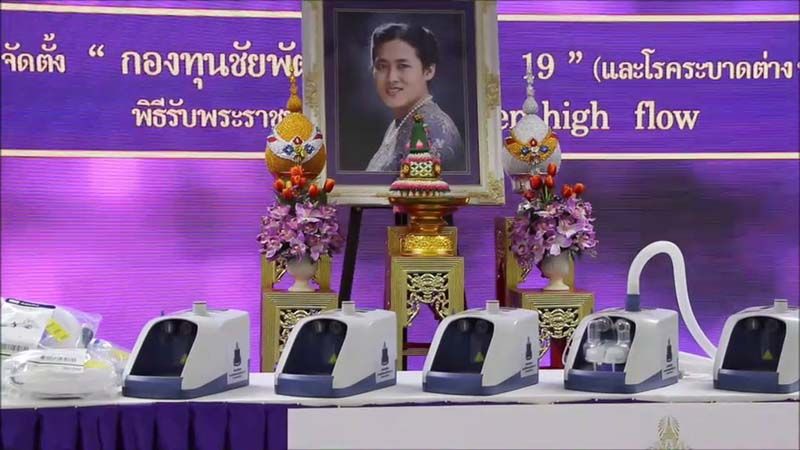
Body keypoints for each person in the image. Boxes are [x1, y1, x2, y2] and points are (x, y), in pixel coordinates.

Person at [366, 23, 464, 172]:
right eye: (382, 66)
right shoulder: (403, 121)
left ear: (428, 71)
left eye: (403, 66)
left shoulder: (431, 128)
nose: (391, 78)